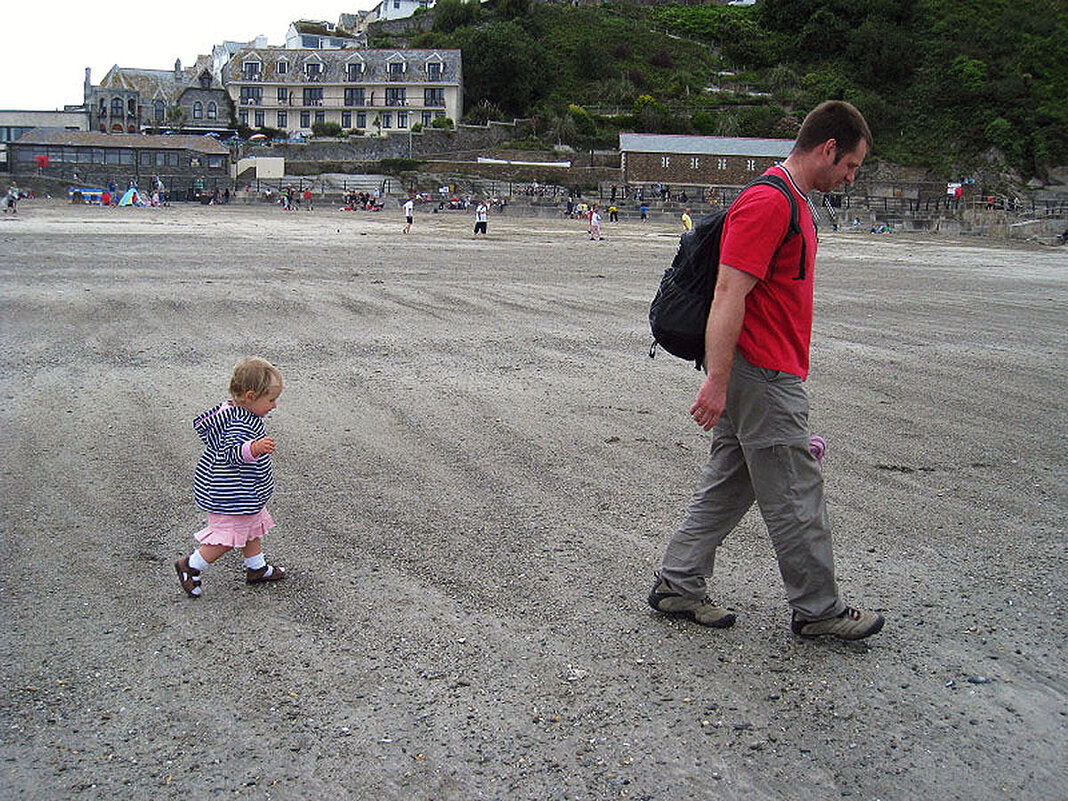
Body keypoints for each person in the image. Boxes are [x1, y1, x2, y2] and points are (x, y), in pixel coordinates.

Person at [648, 100, 885, 641]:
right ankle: (819, 609)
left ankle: (678, 583)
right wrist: (718, 380)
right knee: (796, 491)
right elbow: (729, 291)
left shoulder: (795, 201)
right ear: (828, 149)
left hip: (760, 371)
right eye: (849, 165)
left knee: (731, 482)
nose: (850, 177)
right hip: (762, 374)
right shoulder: (769, 202)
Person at [176, 357, 287, 598]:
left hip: (242, 490)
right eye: (270, 400)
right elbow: (231, 452)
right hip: (230, 492)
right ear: (250, 396)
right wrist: (254, 448)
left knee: (251, 526)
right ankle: (191, 565)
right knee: (228, 536)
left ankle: (256, 568)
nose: (274, 406)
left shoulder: (237, 412)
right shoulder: (237, 422)